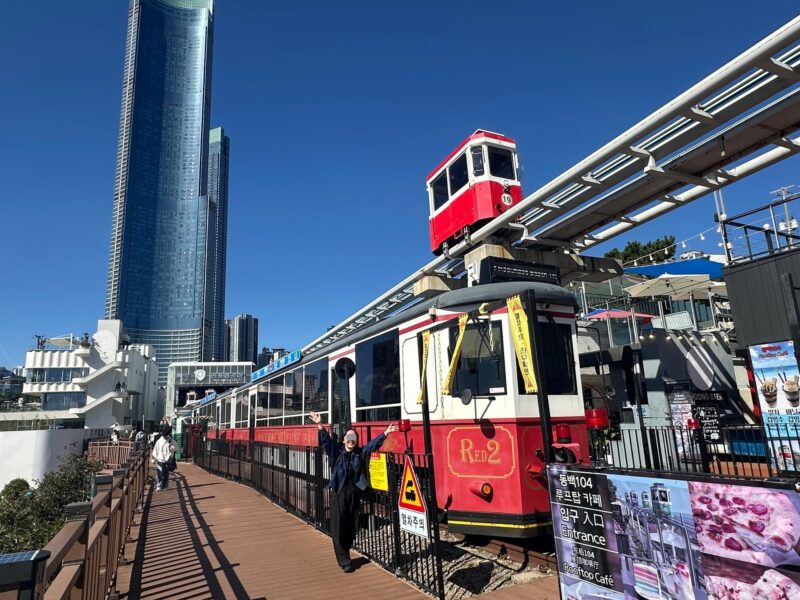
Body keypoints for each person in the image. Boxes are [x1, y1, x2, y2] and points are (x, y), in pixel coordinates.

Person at [309, 411, 398, 572]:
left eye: (354, 438)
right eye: (348, 437)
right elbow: (326, 441)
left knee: (352, 525)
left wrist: (386, 433)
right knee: (338, 526)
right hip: (339, 492)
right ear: (343, 440)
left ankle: (346, 549)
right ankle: (344, 559)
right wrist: (319, 425)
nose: (351, 440)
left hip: (354, 492)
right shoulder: (335, 453)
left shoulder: (359, 453)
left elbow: (372, 445)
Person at [152, 425, 176, 492]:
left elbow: (174, 447)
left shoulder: (171, 440)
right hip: (160, 459)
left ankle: (165, 486)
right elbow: (155, 449)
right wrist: (154, 459)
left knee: (166, 473)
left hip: (167, 459)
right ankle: (159, 485)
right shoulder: (159, 440)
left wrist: (171, 447)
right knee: (159, 472)